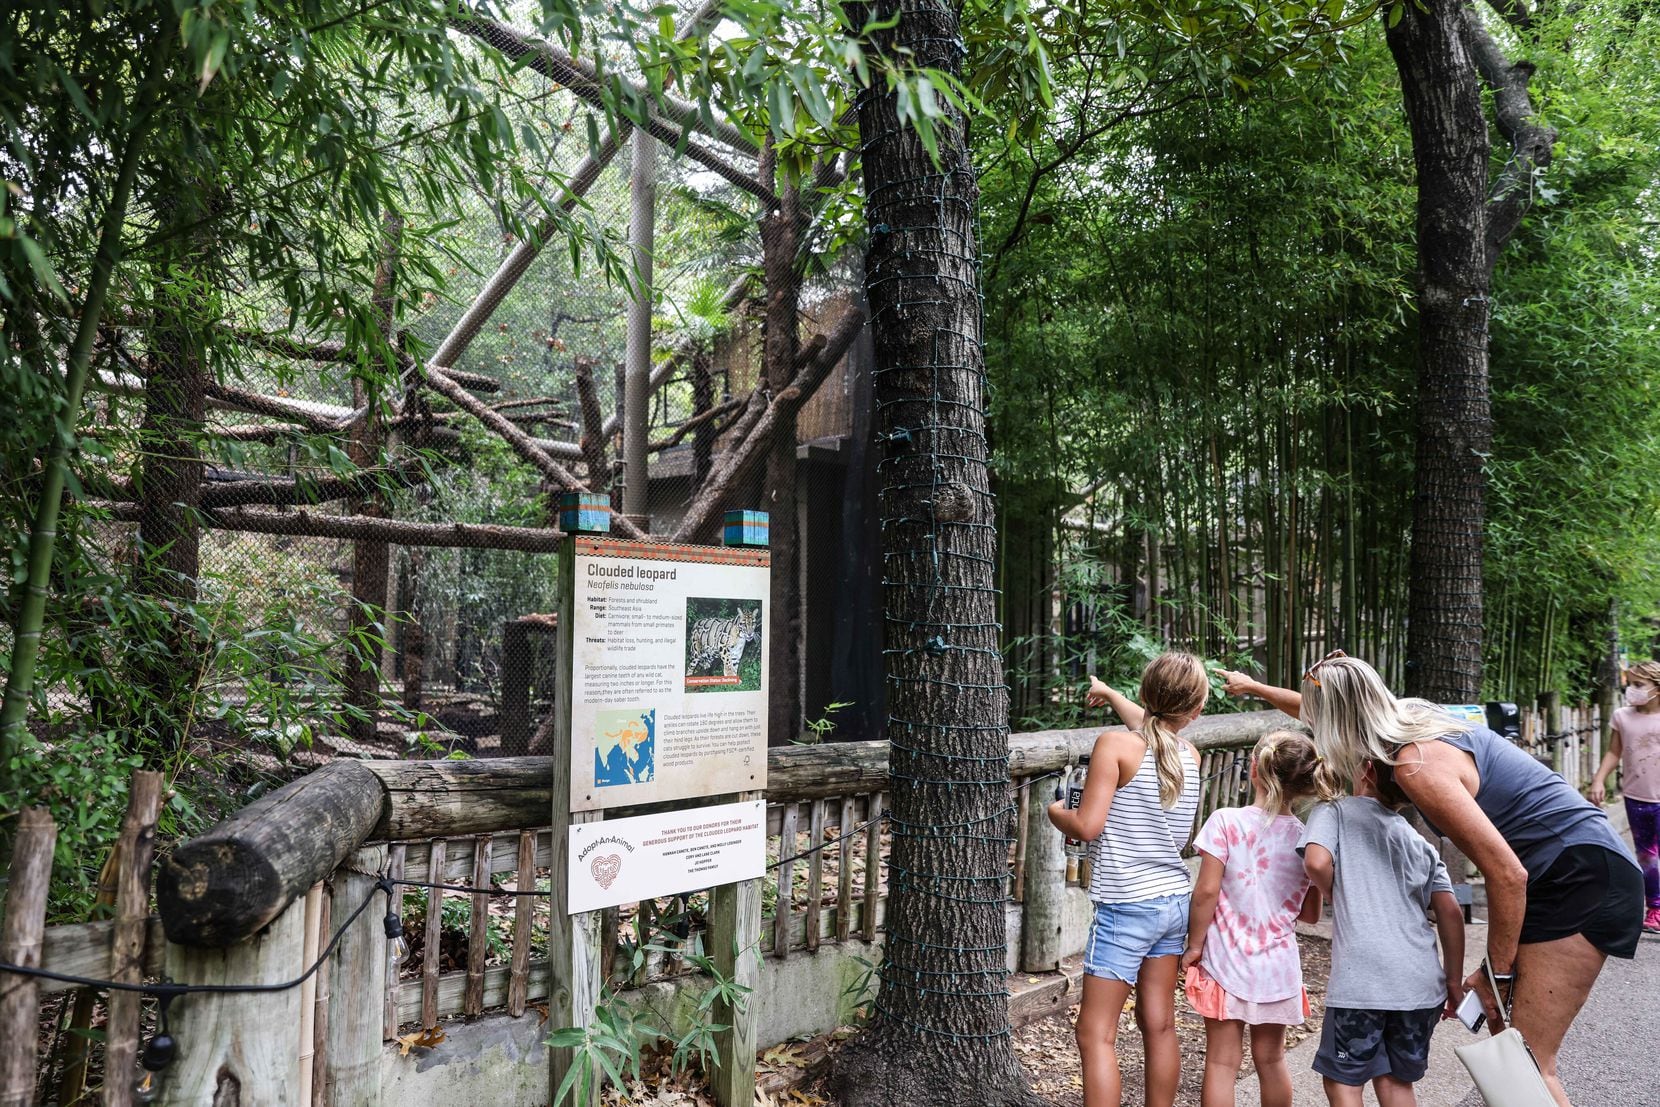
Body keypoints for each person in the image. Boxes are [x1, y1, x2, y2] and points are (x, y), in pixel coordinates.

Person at [1222, 652, 1643, 1107]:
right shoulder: (1413, 717)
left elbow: (1506, 873)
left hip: (1580, 875)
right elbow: (1322, 708)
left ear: (1341, 728)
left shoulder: (1415, 764)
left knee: (1527, 1062)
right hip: (1557, 872)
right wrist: (1258, 689)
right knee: (1508, 1038)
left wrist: (1497, 974)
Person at [1051, 653, 1207, 1107]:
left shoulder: (1113, 746)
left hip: (1126, 907)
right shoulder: (1189, 755)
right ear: (1195, 713)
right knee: (1158, 1024)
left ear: (1145, 693)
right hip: (1173, 903)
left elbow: (1087, 827)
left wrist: (1057, 812)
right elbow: (1155, 728)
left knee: (1095, 1034)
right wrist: (1113, 695)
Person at [1299, 757, 1466, 1107]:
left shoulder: (1335, 811)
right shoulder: (1419, 841)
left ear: (1366, 771)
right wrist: (1453, 981)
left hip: (1364, 983)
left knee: (1343, 1083)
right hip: (1421, 985)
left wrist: (1337, 891)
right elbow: (1450, 912)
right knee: (1395, 1082)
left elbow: (1315, 861)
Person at [1182, 730, 1333, 1107]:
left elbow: (1205, 892)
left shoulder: (1226, 822)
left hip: (1226, 961)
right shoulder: (1305, 837)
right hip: (1277, 967)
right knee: (1271, 1059)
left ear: (1255, 769)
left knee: (1221, 1062)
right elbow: (1311, 914)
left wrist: (1194, 946)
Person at [1591, 659, 1660, 932]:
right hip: (1637, 797)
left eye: (1639, 685)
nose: (1632, 690)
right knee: (1647, 855)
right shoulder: (1622, 716)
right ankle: (1655, 907)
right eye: (1630, 684)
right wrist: (1599, 779)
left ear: (1657, 688)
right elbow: (1614, 752)